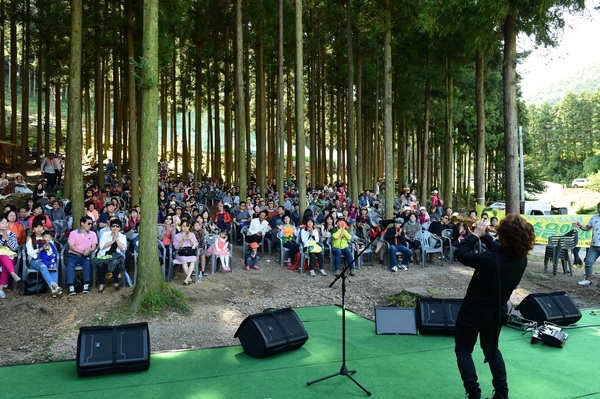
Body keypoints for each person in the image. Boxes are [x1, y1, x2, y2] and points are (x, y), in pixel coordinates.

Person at [454, 214, 535, 399]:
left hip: (473, 311)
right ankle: (502, 393)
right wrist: (485, 235)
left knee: (463, 350)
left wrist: (474, 235)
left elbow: (462, 254)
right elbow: (500, 251)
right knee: (492, 350)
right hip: (497, 312)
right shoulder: (521, 259)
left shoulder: (490, 259)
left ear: (505, 237)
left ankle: (473, 392)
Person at [26, 221, 62, 297]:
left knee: (54, 267)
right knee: (43, 266)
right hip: (35, 259)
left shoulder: (46, 236)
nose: (39, 229)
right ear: (33, 228)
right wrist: (40, 249)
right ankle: (54, 286)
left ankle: (54, 290)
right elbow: (29, 252)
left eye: (40, 227)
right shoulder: (30, 238)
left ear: (43, 227)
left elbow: (52, 249)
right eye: (36, 227)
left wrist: (48, 249)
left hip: (48, 258)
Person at [65, 216, 98, 295]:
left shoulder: (93, 234)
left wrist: (88, 250)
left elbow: (94, 246)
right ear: (82, 224)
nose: (90, 225)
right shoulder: (73, 233)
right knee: (70, 265)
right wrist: (81, 251)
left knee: (87, 264)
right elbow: (71, 246)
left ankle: (86, 284)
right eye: (88, 223)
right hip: (73, 255)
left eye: (92, 223)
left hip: (85, 256)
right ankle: (71, 286)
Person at [95, 219, 127, 292]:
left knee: (116, 262)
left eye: (117, 226)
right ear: (110, 227)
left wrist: (117, 239)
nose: (115, 227)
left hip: (116, 255)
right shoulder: (105, 234)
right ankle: (101, 284)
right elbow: (102, 246)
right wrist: (112, 241)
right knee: (101, 264)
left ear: (120, 228)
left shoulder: (122, 236)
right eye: (113, 226)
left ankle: (116, 282)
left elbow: (123, 248)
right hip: (104, 255)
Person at [572, 202, 600, 286]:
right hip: (594, 245)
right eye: (598, 207)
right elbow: (587, 227)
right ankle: (588, 280)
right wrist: (580, 226)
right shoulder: (594, 217)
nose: (599, 209)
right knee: (588, 262)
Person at [0, 216, 21, 298]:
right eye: (2, 223)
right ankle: (13, 274)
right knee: (4, 257)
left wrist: (7, 239)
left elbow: (15, 247)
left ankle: (0, 289)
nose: (5, 224)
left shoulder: (11, 233)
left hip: (9, 256)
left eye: (6, 222)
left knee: (6, 260)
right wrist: (3, 240)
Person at [173, 220, 199, 284]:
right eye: (183, 226)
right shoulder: (177, 235)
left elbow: (195, 244)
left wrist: (191, 239)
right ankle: (189, 278)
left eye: (186, 226)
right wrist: (182, 240)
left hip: (190, 252)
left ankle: (187, 279)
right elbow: (176, 247)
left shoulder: (192, 234)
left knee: (193, 259)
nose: (185, 228)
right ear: (180, 226)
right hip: (181, 253)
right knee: (184, 260)